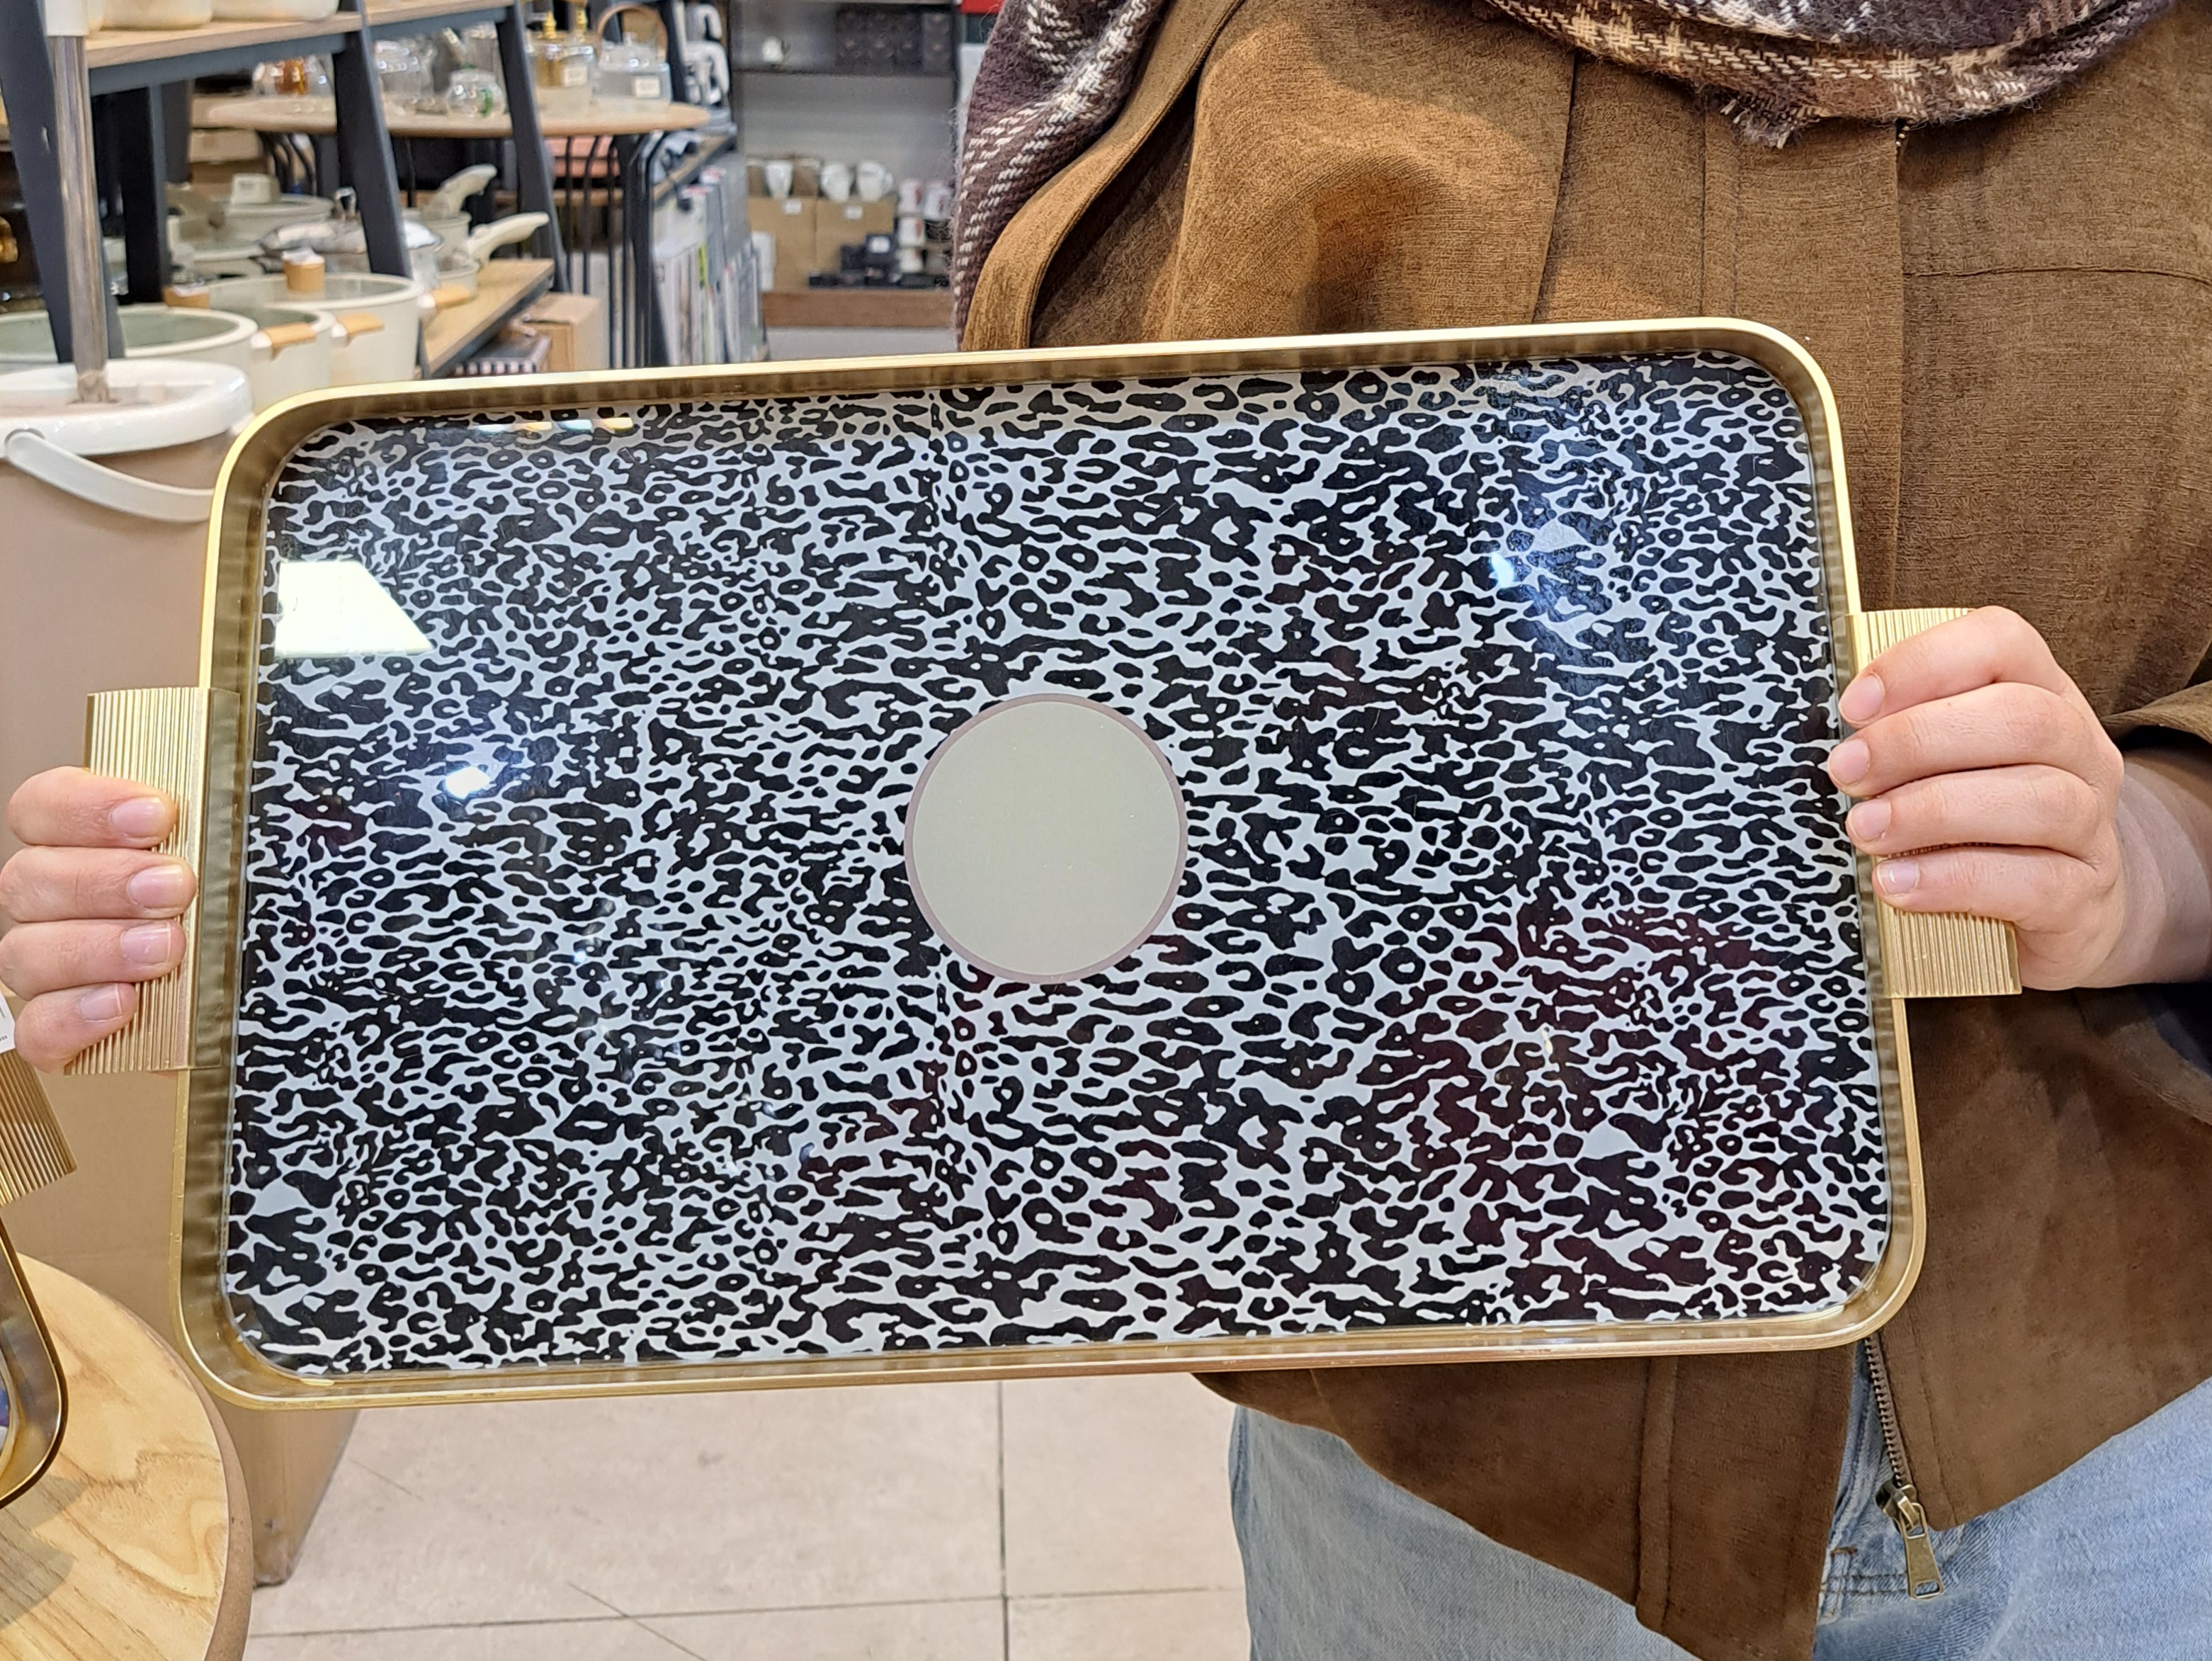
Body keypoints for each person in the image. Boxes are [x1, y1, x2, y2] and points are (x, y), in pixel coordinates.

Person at [943, 0, 2212, 1652]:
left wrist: (2163, 849)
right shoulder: (1226, 49)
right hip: (1443, 1392)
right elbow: (1041, 636)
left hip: (2106, 1383)